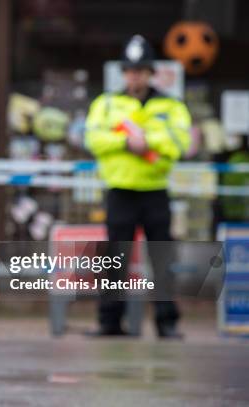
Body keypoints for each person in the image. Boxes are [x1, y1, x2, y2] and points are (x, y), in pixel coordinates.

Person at [85, 35, 191, 338]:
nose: (135, 76)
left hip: (155, 190)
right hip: (120, 190)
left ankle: (166, 322)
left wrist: (147, 141)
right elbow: (93, 139)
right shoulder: (106, 104)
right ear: (123, 73)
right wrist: (125, 141)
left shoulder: (170, 106)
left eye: (141, 70)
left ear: (151, 73)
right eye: (131, 70)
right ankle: (109, 322)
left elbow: (179, 142)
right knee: (115, 258)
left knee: (161, 259)